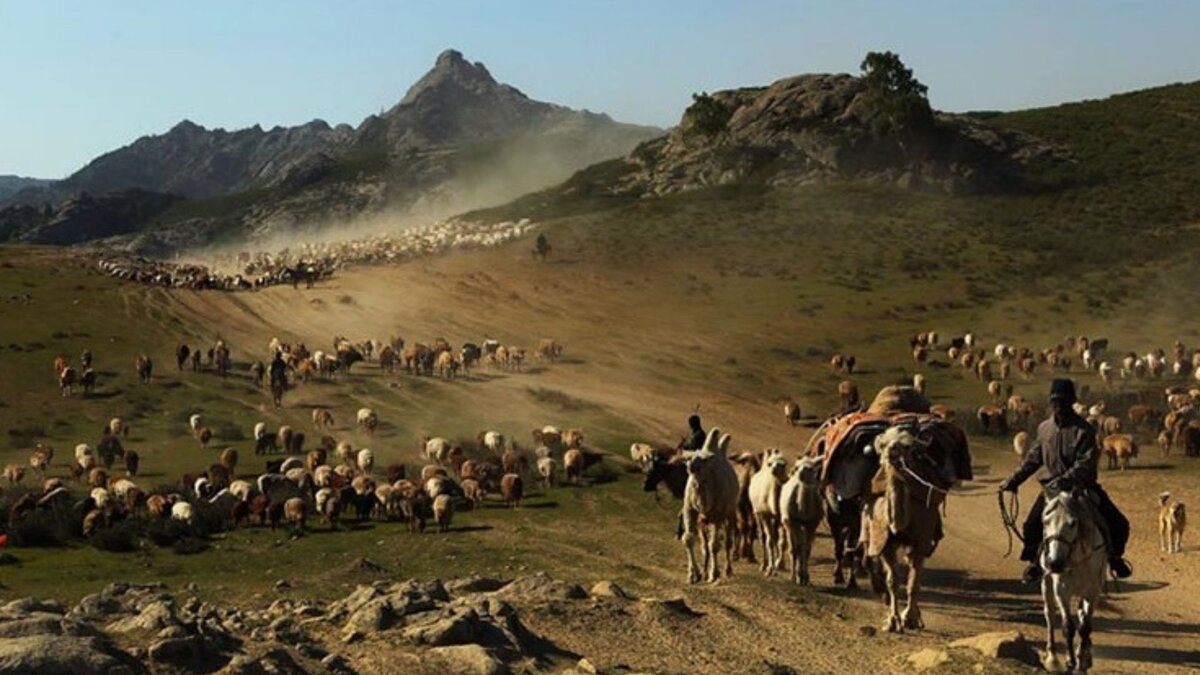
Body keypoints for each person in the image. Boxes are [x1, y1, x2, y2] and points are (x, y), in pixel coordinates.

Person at [999, 378, 1132, 583]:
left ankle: (1115, 559)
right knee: (1031, 526)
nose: (1059, 405)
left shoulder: (1085, 430)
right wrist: (1013, 481)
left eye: (1063, 401)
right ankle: (1034, 563)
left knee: (1119, 523)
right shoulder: (1044, 429)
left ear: (1071, 402)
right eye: (1055, 401)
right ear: (1051, 403)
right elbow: (1033, 459)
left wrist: (1064, 480)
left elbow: (1085, 463)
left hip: (1082, 489)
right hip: (1051, 492)